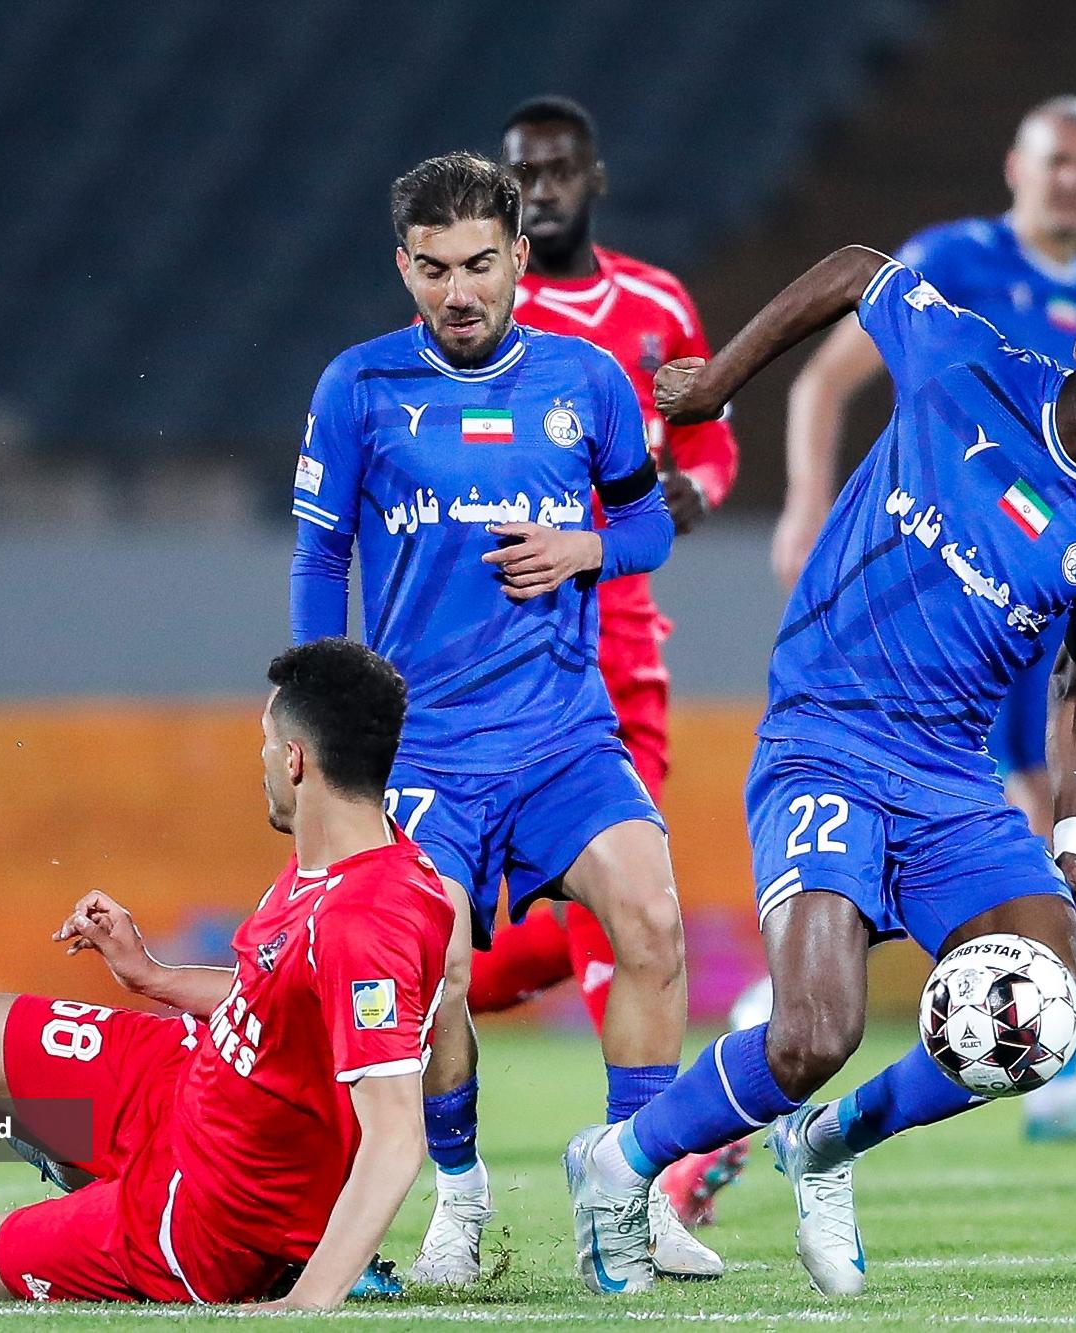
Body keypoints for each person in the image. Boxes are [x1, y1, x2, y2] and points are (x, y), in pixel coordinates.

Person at [563, 238, 1076, 1297]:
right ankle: (616, 1163)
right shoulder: (963, 364)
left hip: (952, 784)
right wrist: (715, 384)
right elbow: (849, 269)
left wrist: (1070, 843)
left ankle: (827, 1143)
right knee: (811, 1034)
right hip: (824, 742)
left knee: (1049, 1004)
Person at [288, 151, 708, 1292]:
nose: (458, 291)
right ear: (403, 267)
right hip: (423, 744)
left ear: (520, 257)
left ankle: (629, 1183)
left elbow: (648, 526)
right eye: (433, 269)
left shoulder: (587, 379)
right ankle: (459, 1196)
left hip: (565, 735)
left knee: (653, 920)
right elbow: (320, 556)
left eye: (479, 264)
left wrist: (586, 547)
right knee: (433, 978)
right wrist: (318, 722)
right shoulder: (358, 388)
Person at [765, 94, 1076, 1148]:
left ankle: (1038, 1063)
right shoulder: (954, 259)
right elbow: (825, 381)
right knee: (991, 821)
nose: (1070, 180)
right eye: (1055, 159)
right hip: (924, 596)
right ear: (1015, 166)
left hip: (1019, 616)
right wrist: (805, 502)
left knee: (1034, 826)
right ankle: (795, 1008)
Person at [0, 638, 453, 1307]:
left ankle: (283, 1260)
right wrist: (150, 975)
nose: (262, 759)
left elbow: (395, 1135)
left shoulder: (367, 920)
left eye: (266, 741)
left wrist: (309, 1303)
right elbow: (277, 999)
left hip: (211, 1210)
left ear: (295, 760)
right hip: (179, 1077)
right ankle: (90, 1177)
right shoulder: (334, 859)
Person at [465, 94, 744, 1238]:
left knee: (624, 893)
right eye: (521, 172)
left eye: (557, 169)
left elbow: (709, 444)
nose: (540, 188)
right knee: (482, 921)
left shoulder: (657, 304)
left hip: (619, 637)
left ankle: (644, 1165)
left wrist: (696, 492)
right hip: (494, 649)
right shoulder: (479, 309)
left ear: (593, 178)